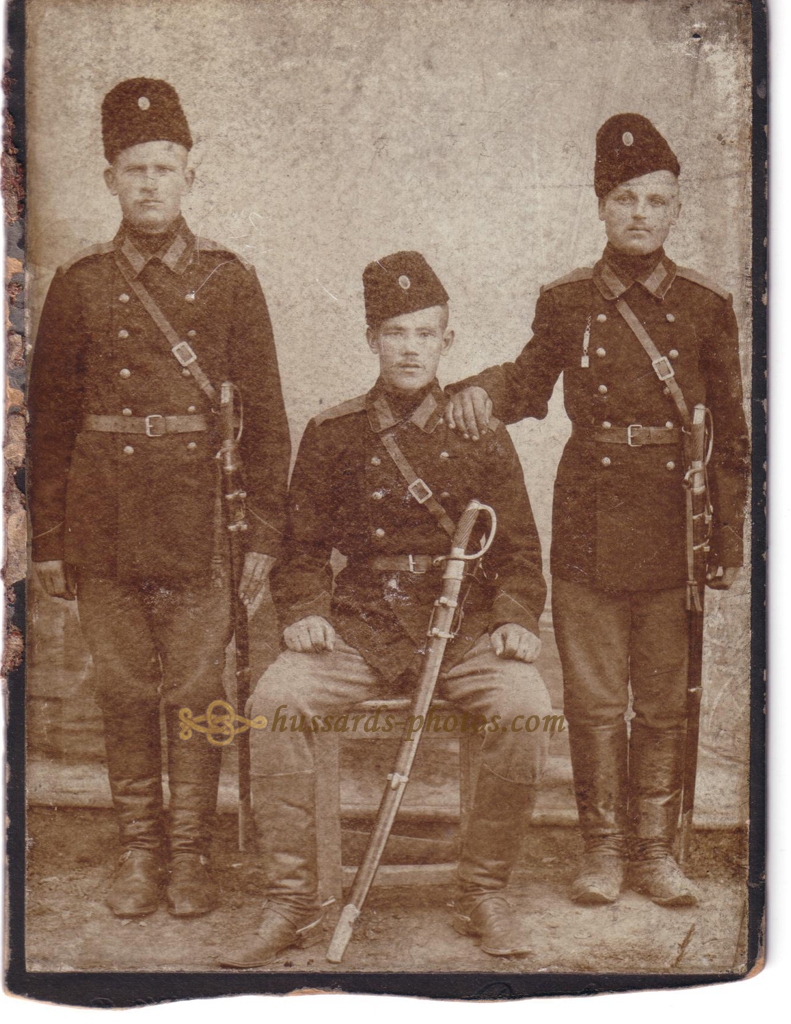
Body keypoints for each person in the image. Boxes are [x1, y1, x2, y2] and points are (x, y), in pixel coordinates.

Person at [446, 114, 749, 908]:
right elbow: (528, 383)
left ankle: (654, 851)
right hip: (589, 518)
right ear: (601, 205)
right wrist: (473, 389)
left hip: (675, 526)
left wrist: (728, 538)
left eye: (656, 199)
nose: (640, 214)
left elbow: (732, 435)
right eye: (625, 199)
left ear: (676, 209)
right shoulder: (567, 300)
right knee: (594, 699)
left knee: (662, 700)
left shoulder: (707, 305)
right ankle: (602, 850)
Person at [219, 250, 552, 967]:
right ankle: (292, 899)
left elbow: (521, 551)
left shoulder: (482, 430)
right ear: (372, 338)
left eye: (425, 334)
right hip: (363, 623)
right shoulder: (334, 432)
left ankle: (482, 890)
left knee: (525, 706)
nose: (409, 348)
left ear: (447, 341)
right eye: (395, 332)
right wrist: (303, 609)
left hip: (461, 627)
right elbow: (302, 548)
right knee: (275, 701)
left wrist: (516, 619)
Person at [28, 78, 291, 919]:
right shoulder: (79, 283)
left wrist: (264, 535)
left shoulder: (229, 280)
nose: (149, 183)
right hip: (102, 521)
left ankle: (191, 853)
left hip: (199, 523)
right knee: (122, 687)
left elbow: (268, 419)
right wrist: (46, 540)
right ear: (110, 178)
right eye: (134, 168)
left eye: (164, 167)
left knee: (197, 692)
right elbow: (50, 424)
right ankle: (140, 851)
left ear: (189, 175)